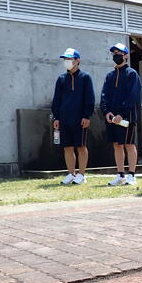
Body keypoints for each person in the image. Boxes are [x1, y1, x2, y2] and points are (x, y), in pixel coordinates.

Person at [51, 48, 95, 185]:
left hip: (80, 118)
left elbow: (90, 98)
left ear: (77, 60)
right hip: (64, 118)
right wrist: (56, 117)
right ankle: (71, 173)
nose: (67, 61)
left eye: (69, 59)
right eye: (65, 59)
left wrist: (87, 115)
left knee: (81, 146)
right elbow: (56, 99)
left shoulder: (85, 77)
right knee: (67, 146)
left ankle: (81, 174)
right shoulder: (61, 79)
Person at [100, 42, 141, 186]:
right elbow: (104, 95)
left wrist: (122, 114)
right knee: (117, 145)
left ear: (126, 55)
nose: (116, 55)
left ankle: (132, 175)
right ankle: (120, 174)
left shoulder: (132, 74)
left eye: (119, 53)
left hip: (127, 117)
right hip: (112, 117)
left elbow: (133, 96)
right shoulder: (110, 75)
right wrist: (106, 111)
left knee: (129, 144)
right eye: (114, 53)